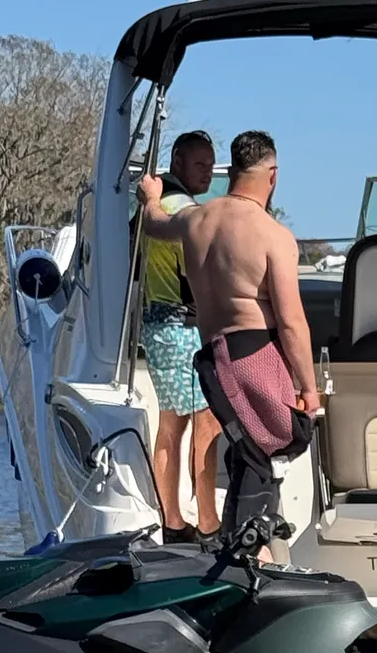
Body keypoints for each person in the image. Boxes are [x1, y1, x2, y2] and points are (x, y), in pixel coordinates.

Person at [137, 130, 321, 550]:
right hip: (254, 353)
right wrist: (308, 388)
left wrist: (149, 195)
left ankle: (230, 542)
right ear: (272, 175)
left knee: (241, 448)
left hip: (212, 359)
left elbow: (153, 223)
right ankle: (250, 551)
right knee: (268, 453)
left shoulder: (196, 219)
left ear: (233, 171)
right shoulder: (273, 235)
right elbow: (292, 322)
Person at [142, 130, 221, 542]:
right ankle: (207, 522)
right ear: (177, 162)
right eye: (199, 165)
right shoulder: (182, 212)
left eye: (210, 165)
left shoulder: (165, 203)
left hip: (159, 324)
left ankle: (172, 521)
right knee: (206, 425)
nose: (207, 172)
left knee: (171, 426)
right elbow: (197, 277)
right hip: (180, 326)